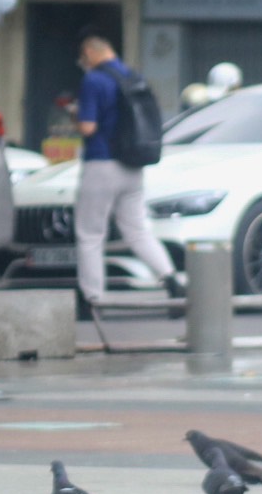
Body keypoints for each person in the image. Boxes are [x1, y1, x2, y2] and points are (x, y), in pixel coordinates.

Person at [73, 28, 181, 315]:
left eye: (83, 57)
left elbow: (88, 127)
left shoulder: (93, 80)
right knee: (137, 230)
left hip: (102, 163)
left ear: (90, 54)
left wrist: (74, 113)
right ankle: (171, 280)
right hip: (133, 165)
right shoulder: (135, 77)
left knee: (90, 234)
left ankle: (92, 299)